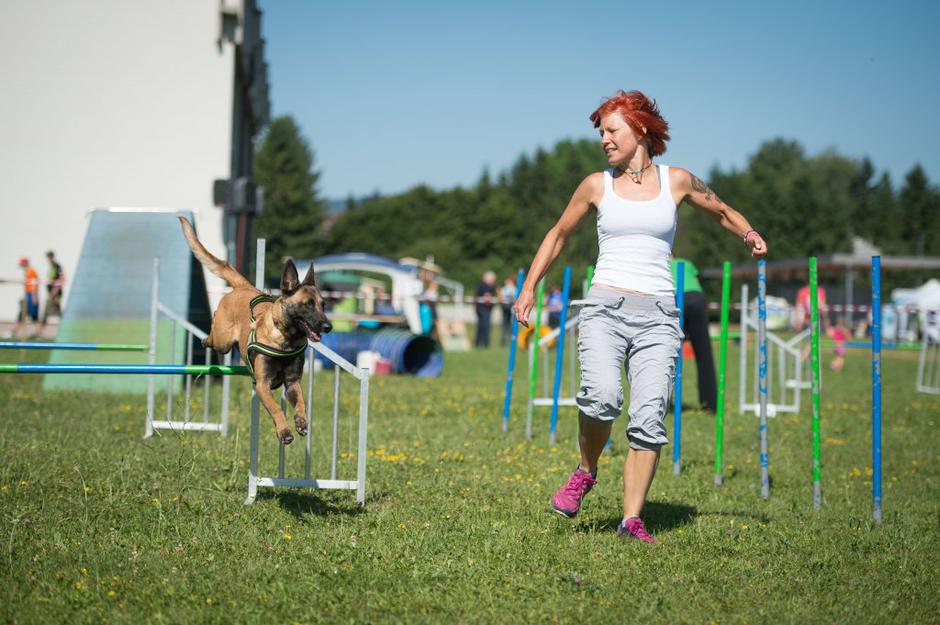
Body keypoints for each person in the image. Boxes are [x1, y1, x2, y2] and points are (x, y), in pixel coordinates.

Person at [513, 90, 767, 543]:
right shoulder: (597, 185)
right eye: (601, 133)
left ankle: (631, 520)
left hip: (659, 314)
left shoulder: (678, 181)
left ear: (641, 129)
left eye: (612, 130)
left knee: (649, 417)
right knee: (602, 397)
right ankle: (586, 470)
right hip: (605, 308)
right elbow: (558, 234)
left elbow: (722, 210)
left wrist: (748, 232)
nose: (604, 140)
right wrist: (529, 286)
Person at [670, 257, 717, 412]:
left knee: (667, 354)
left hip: (675, 298)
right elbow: (696, 279)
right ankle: (710, 404)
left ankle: (660, 402)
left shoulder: (659, 262)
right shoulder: (688, 263)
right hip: (697, 298)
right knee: (704, 354)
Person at [12, 257, 40, 338]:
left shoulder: (31, 271)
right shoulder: (27, 272)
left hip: (31, 295)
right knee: (22, 314)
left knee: (34, 316)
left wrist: (34, 297)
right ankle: (14, 331)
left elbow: (34, 284)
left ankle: (38, 333)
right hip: (28, 295)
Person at [39, 250, 65, 333]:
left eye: (49, 257)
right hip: (52, 293)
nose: (48, 259)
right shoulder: (52, 266)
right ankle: (40, 331)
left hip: (55, 294)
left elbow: (61, 279)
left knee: (48, 311)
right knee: (54, 312)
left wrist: (54, 292)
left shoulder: (56, 266)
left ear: (52, 257)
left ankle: (40, 331)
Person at [474, 270, 496, 348]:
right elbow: (486, 297)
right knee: (484, 326)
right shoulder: (483, 286)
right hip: (482, 308)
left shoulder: (489, 286)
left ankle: (479, 343)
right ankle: (484, 343)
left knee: (481, 326)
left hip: (485, 309)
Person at [499, 275, 518, 346]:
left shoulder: (513, 289)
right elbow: (501, 297)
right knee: (504, 325)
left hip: (511, 308)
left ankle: (511, 340)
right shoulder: (504, 288)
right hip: (505, 307)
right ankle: (503, 341)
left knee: (510, 325)